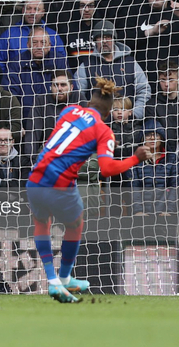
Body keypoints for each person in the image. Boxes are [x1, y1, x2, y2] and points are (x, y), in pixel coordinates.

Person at [27, 77, 153, 303]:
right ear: (108, 112)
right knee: (76, 224)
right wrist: (135, 158)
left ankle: (53, 281)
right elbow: (106, 169)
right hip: (60, 182)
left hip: (35, 177)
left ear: (89, 101)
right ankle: (64, 278)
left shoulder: (68, 110)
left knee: (41, 222)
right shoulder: (104, 131)